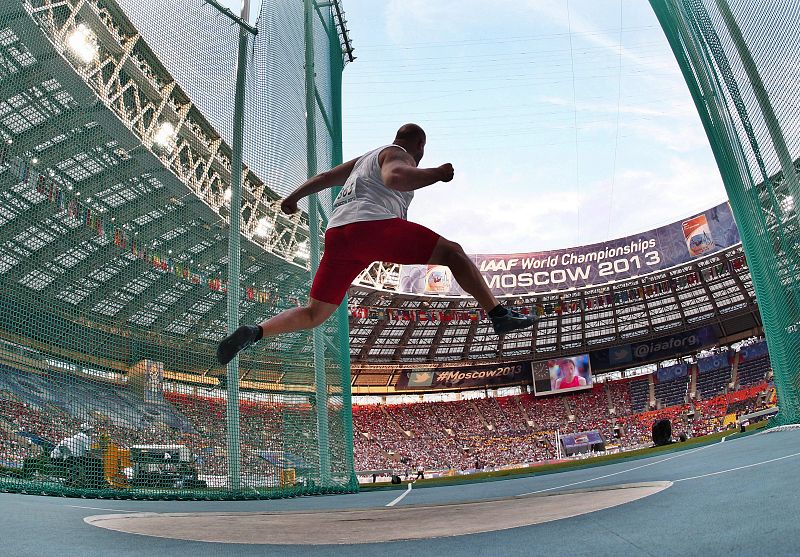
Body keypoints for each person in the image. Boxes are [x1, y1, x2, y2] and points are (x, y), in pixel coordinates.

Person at [217, 124, 537, 365]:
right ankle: (499, 314)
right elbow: (395, 177)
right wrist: (437, 173)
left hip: (339, 235)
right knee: (453, 252)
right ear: (419, 146)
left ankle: (255, 331)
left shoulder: (363, 161)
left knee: (315, 313)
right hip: (370, 226)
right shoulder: (398, 154)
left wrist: (293, 197)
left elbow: (325, 178)